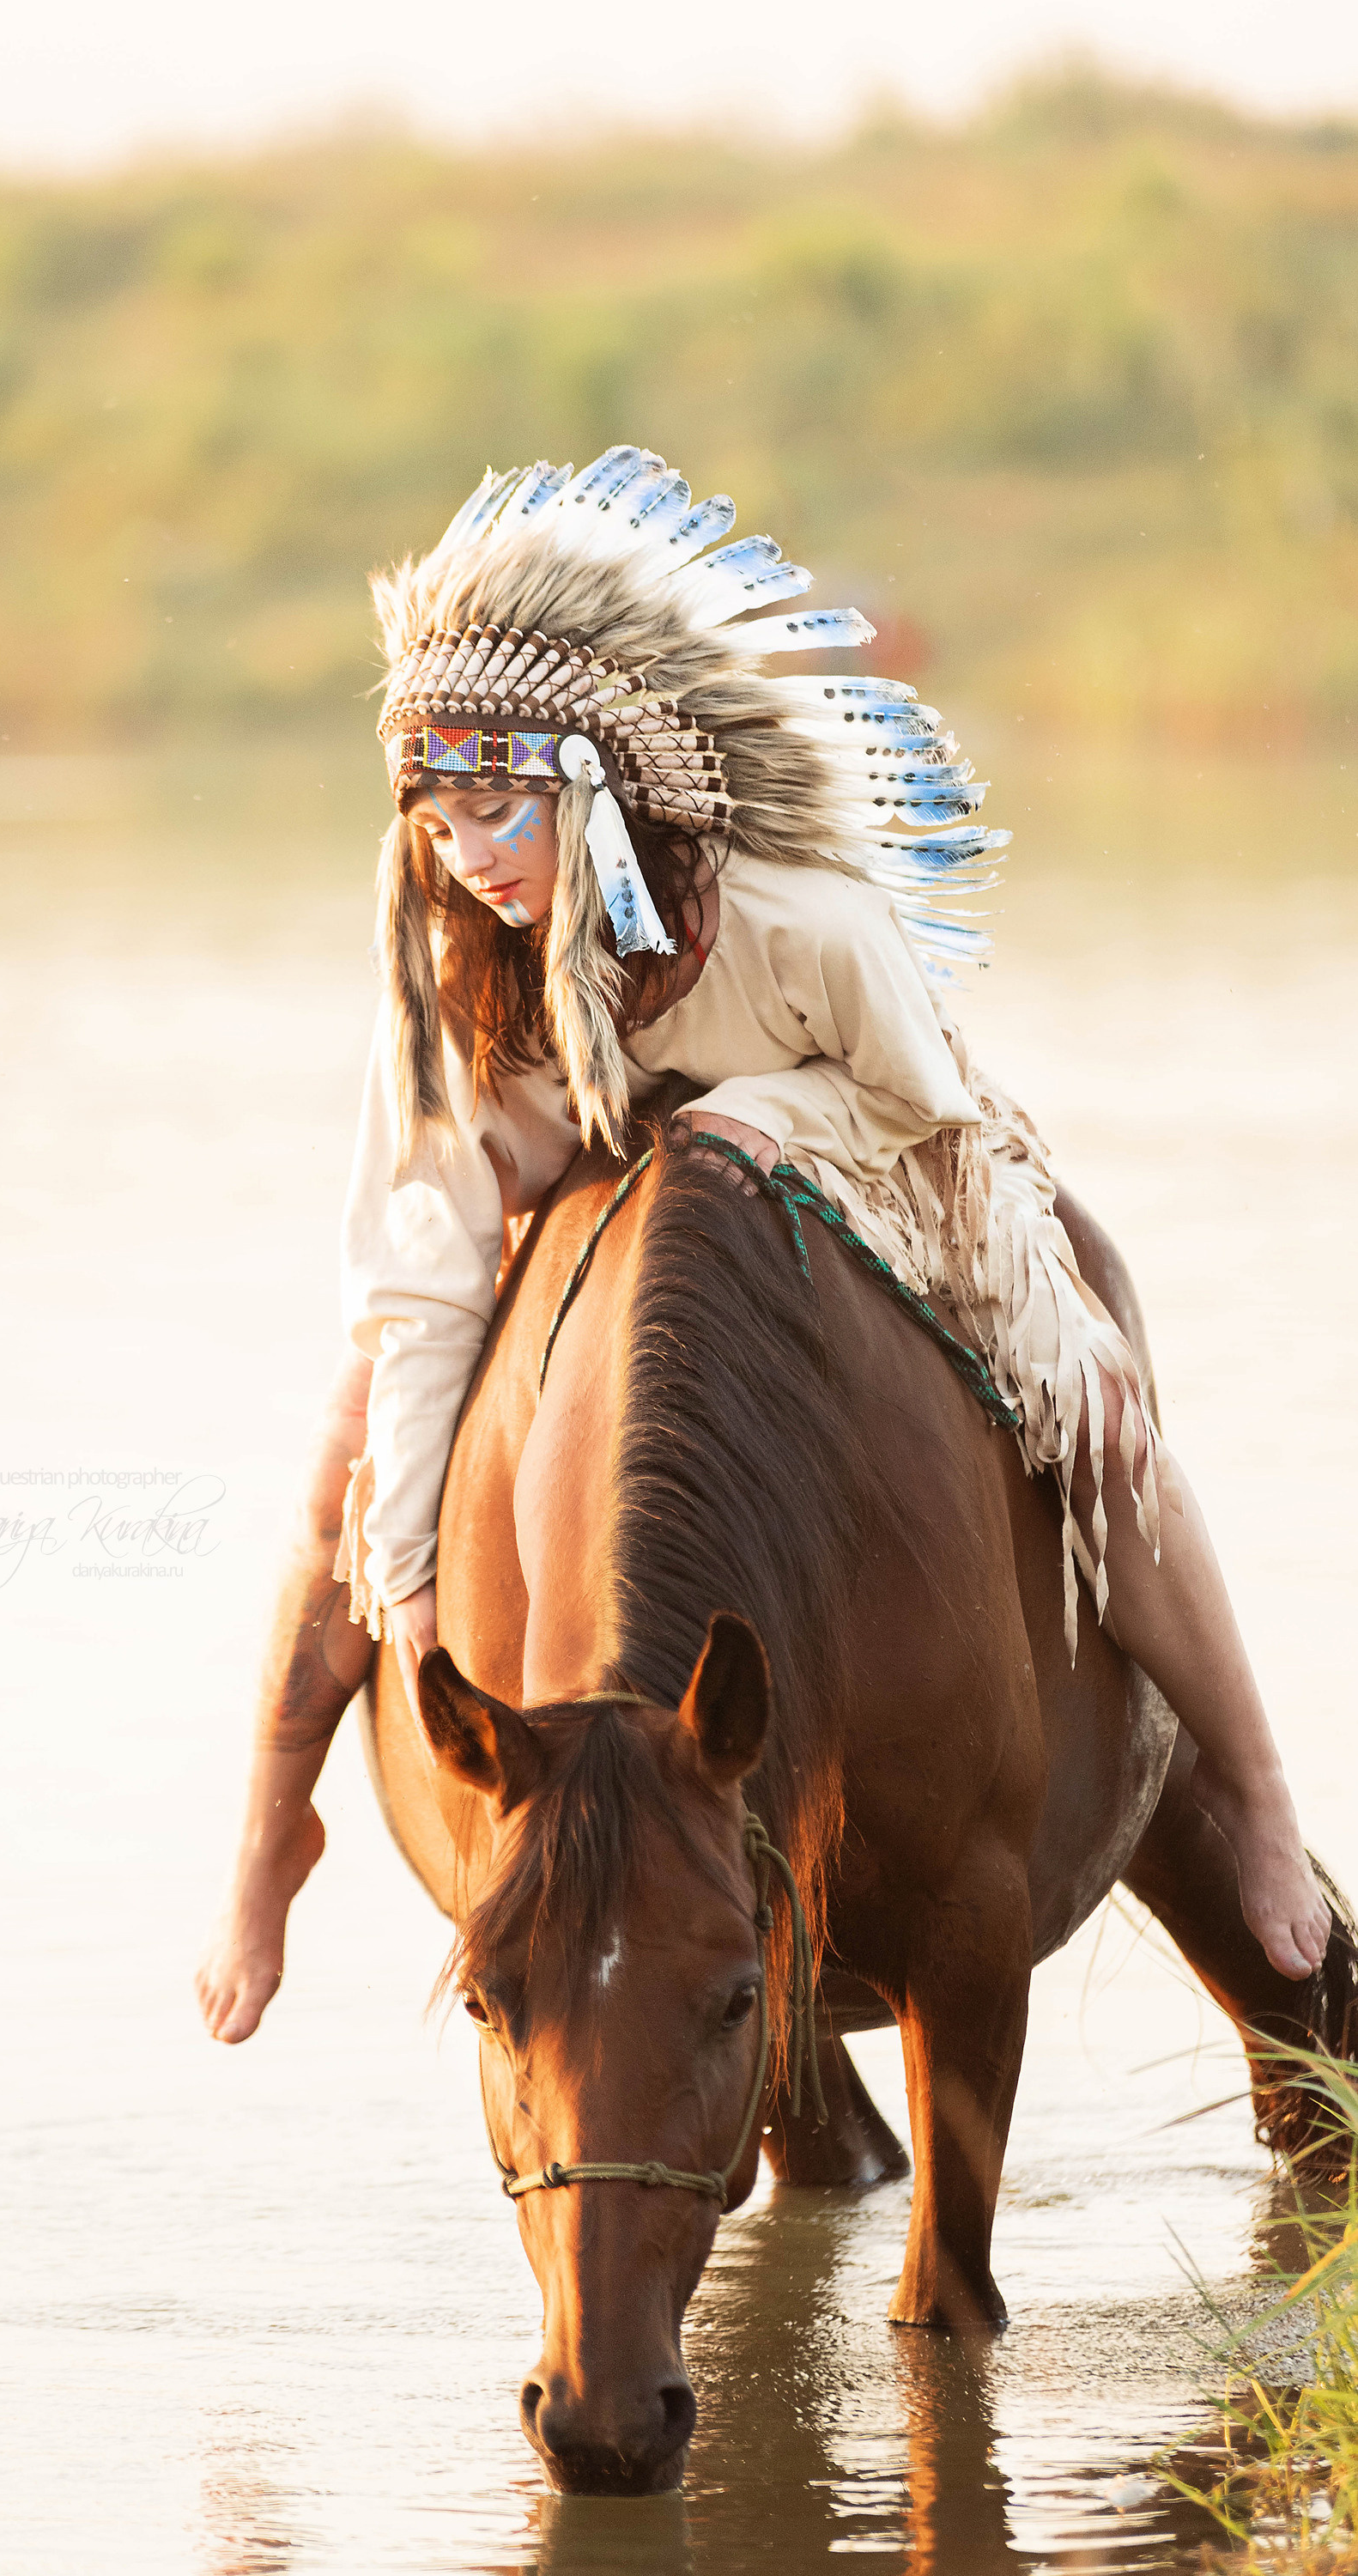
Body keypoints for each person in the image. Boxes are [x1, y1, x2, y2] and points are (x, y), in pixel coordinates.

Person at [197, 447, 1329, 2044]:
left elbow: (928, 1118)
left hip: (891, 1165)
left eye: (500, 810)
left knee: (1100, 1427)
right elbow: (425, 1262)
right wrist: (413, 1574)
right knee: (347, 1455)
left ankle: (1260, 1790)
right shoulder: (464, 979)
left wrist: (759, 1129)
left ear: (594, 784)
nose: (471, 860)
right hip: (609, 1186)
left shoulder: (804, 926)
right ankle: (267, 1839)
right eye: (438, 825)